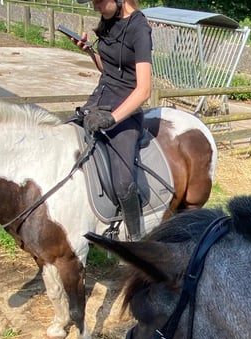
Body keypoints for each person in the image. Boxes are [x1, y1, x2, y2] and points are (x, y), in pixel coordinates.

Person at [70, 0, 152, 241]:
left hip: (126, 109)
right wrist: (89, 51)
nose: (95, 6)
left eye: (98, 1)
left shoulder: (139, 29)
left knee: (124, 181)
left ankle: (136, 241)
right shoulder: (109, 21)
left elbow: (144, 89)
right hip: (99, 99)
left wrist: (112, 118)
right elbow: (110, 69)